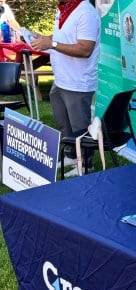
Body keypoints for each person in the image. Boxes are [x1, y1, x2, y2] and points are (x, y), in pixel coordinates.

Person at [30, 0, 100, 169]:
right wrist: (45, 39)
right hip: (61, 80)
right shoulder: (63, 9)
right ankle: (71, 156)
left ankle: (84, 165)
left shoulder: (86, 13)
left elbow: (85, 49)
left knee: (80, 128)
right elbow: (64, 38)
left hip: (77, 82)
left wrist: (51, 44)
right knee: (63, 123)